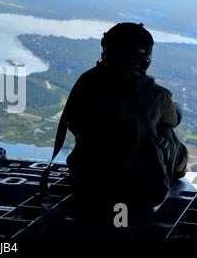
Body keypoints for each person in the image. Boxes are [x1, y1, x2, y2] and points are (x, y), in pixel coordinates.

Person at [59, 22, 188, 228]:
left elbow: (74, 124)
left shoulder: (87, 81)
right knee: (165, 130)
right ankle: (176, 173)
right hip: (138, 193)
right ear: (143, 56)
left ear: (106, 47)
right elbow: (173, 119)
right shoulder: (157, 94)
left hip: (84, 182)